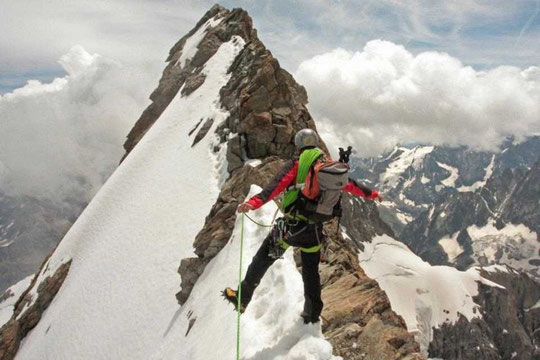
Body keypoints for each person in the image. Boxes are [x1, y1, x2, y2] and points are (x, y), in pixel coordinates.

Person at [223, 128, 382, 324]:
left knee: (263, 259)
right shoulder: (326, 166)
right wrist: (373, 194)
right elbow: (350, 185)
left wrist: (253, 203)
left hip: (290, 229)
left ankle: (242, 298)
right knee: (310, 273)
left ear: (298, 146)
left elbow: (274, 187)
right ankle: (312, 314)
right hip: (314, 232)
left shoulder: (297, 164)